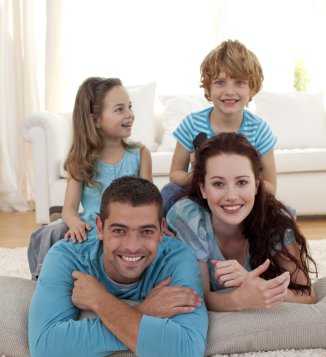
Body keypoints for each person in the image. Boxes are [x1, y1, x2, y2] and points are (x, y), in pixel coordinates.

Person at [28, 176, 208, 357]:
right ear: (100, 227)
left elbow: (187, 355)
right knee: (49, 237)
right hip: (51, 249)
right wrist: (144, 313)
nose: (132, 246)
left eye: (146, 231)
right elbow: (44, 351)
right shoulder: (67, 256)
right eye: (119, 230)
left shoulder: (178, 259)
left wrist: (101, 302)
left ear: (161, 230)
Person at [166, 133, 318, 311]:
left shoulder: (275, 220)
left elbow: (308, 295)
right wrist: (239, 300)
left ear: (256, 185)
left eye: (242, 182)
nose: (231, 196)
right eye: (218, 184)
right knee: (168, 193)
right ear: (203, 189)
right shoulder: (190, 218)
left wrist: (254, 284)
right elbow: (201, 296)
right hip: (173, 208)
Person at [28, 77, 152, 280]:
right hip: (92, 225)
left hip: (129, 226)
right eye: (120, 109)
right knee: (52, 232)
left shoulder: (140, 154)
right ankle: (44, 282)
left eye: (129, 107)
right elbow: (69, 208)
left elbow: (151, 203)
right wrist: (75, 223)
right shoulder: (81, 159)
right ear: (96, 120)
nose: (130, 115)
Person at [161, 39, 277, 216]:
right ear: (207, 88)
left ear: (252, 88)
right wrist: (201, 179)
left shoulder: (259, 130)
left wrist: (244, 183)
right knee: (169, 192)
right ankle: (174, 239)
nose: (229, 91)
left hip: (241, 202)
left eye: (239, 82)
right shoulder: (192, 124)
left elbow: (270, 187)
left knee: (284, 213)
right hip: (201, 197)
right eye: (220, 82)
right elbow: (175, 174)